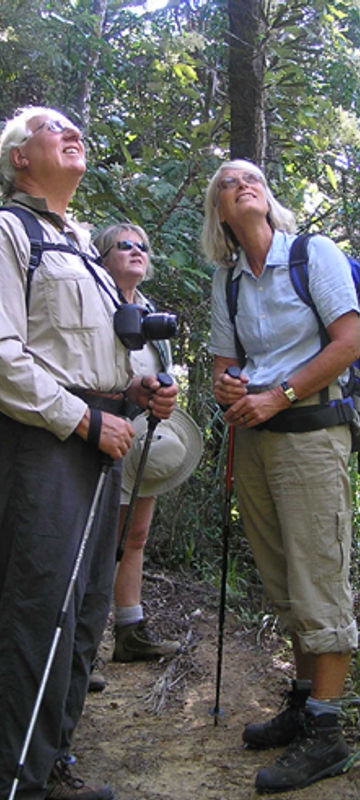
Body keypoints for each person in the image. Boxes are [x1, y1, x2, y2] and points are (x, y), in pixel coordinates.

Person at [0, 107, 177, 800]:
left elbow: (87, 353)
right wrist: (81, 420)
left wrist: (136, 390)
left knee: (84, 609)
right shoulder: (11, 232)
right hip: (46, 443)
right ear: (21, 158)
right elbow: (5, 356)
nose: (72, 133)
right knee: (38, 607)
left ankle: (54, 760)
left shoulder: (79, 249)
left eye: (76, 129)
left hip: (101, 439)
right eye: (52, 128)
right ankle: (20, 780)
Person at [202, 158, 360, 793]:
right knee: (283, 577)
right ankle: (302, 703)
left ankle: (328, 733)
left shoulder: (311, 253)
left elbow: (349, 341)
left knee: (319, 574)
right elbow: (221, 366)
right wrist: (228, 385)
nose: (244, 182)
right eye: (229, 182)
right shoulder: (229, 281)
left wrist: (280, 394)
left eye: (254, 177)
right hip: (259, 441)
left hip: (313, 434)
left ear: (268, 197)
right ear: (220, 212)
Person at [93, 223, 202, 667]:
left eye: (143, 246)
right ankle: (86, 649)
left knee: (134, 536)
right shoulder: (94, 305)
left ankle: (130, 631)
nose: (137, 251)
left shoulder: (151, 312)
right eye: (125, 245)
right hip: (99, 435)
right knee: (102, 540)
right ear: (102, 255)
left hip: (144, 441)